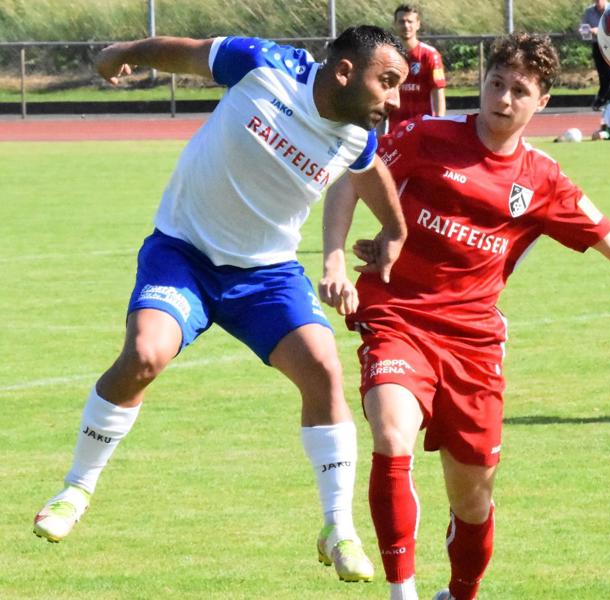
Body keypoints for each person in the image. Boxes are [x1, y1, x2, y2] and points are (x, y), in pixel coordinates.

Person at [323, 31, 610, 600]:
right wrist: (334, 254)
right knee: (391, 432)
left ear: (542, 103)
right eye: (496, 84)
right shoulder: (424, 135)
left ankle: (460, 593)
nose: (503, 99)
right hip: (398, 316)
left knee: (473, 498)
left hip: (473, 343)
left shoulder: (543, 180)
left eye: (519, 91)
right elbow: (354, 177)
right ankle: (401, 591)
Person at [30, 27, 411, 585]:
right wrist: (123, 53)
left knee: (324, 369)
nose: (396, 98)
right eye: (389, 82)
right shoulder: (262, 66)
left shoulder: (357, 134)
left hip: (266, 275)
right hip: (184, 254)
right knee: (143, 355)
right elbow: (181, 54)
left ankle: (337, 528)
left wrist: (394, 231)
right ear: (346, 72)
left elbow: (369, 171)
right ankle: (76, 489)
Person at [388, 4, 447, 132]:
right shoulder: (389, 55)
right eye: (401, 21)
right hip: (395, 130)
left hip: (423, 129)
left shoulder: (430, 55)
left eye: (410, 21)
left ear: (418, 24)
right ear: (395, 24)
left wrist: (439, 125)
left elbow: (438, 93)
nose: (406, 26)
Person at [580, 0, 610, 110]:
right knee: (602, 75)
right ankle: (604, 101)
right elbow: (584, 27)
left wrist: (599, 30)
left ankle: (602, 100)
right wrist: (584, 31)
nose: (597, 2)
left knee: (609, 74)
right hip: (597, 45)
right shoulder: (589, 11)